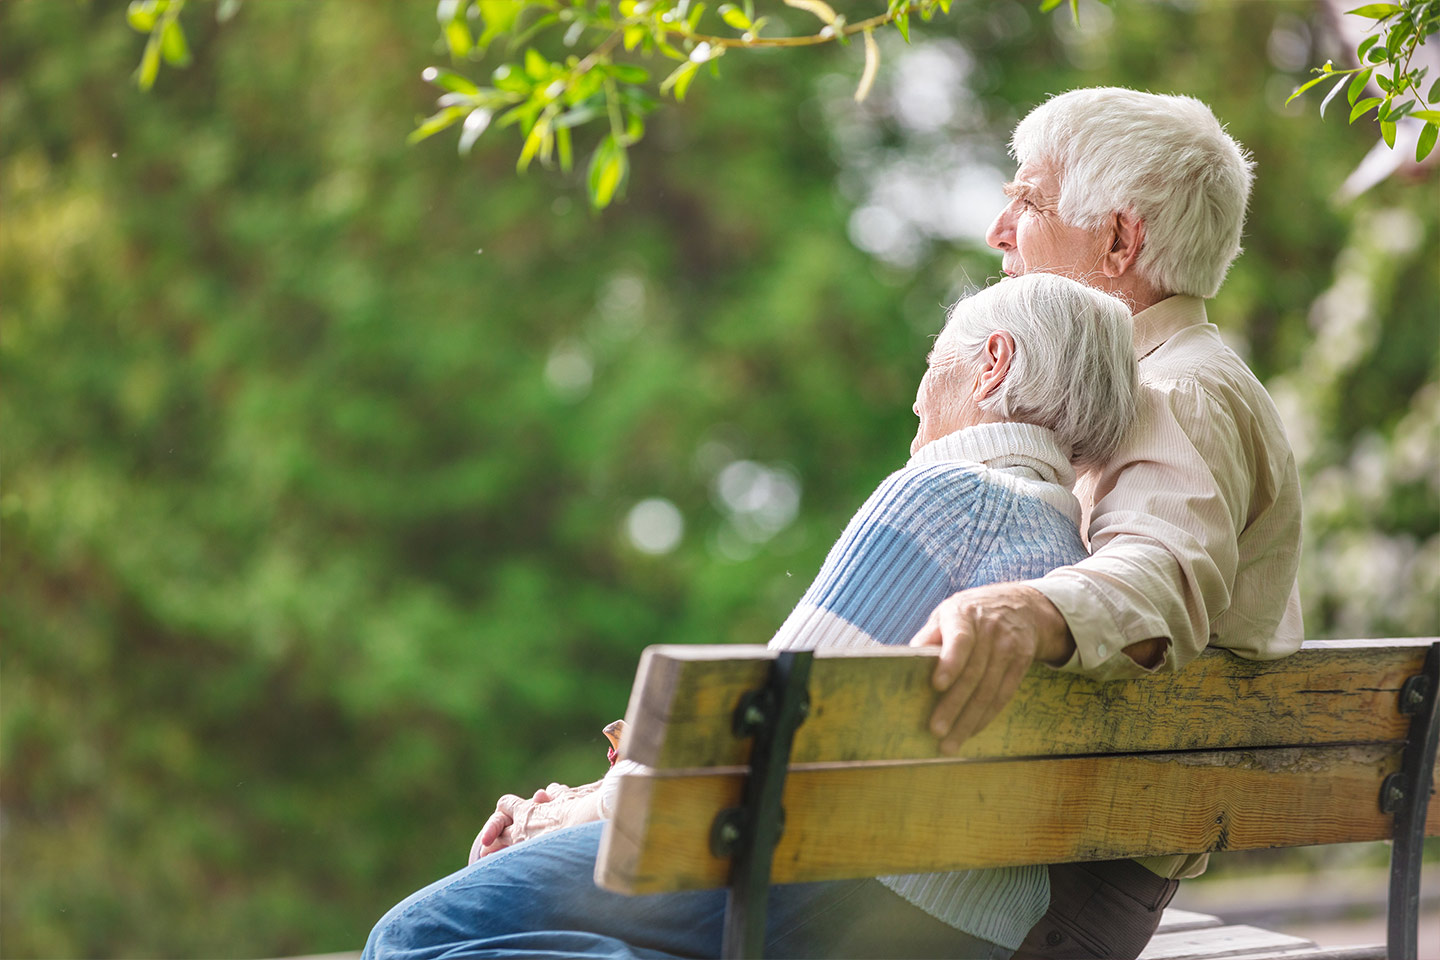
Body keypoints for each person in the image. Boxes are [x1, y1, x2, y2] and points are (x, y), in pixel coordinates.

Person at [362, 272, 1140, 960]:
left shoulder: (948, 497)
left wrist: (558, 816)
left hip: (835, 891)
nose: (915, 392)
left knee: (411, 938)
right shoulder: (1071, 555)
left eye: (936, 361)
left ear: (992, 364)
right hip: (979, 927)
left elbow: (749, 746)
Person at [908, 88, 1303, 960]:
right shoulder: (1138, 387)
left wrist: (1026, 611)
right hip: (1042, 853)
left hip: (1059, 889)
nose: (997, 230)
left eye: (1028, 200)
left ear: (1119, 241)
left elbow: (1161, 573)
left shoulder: (1175, 391)